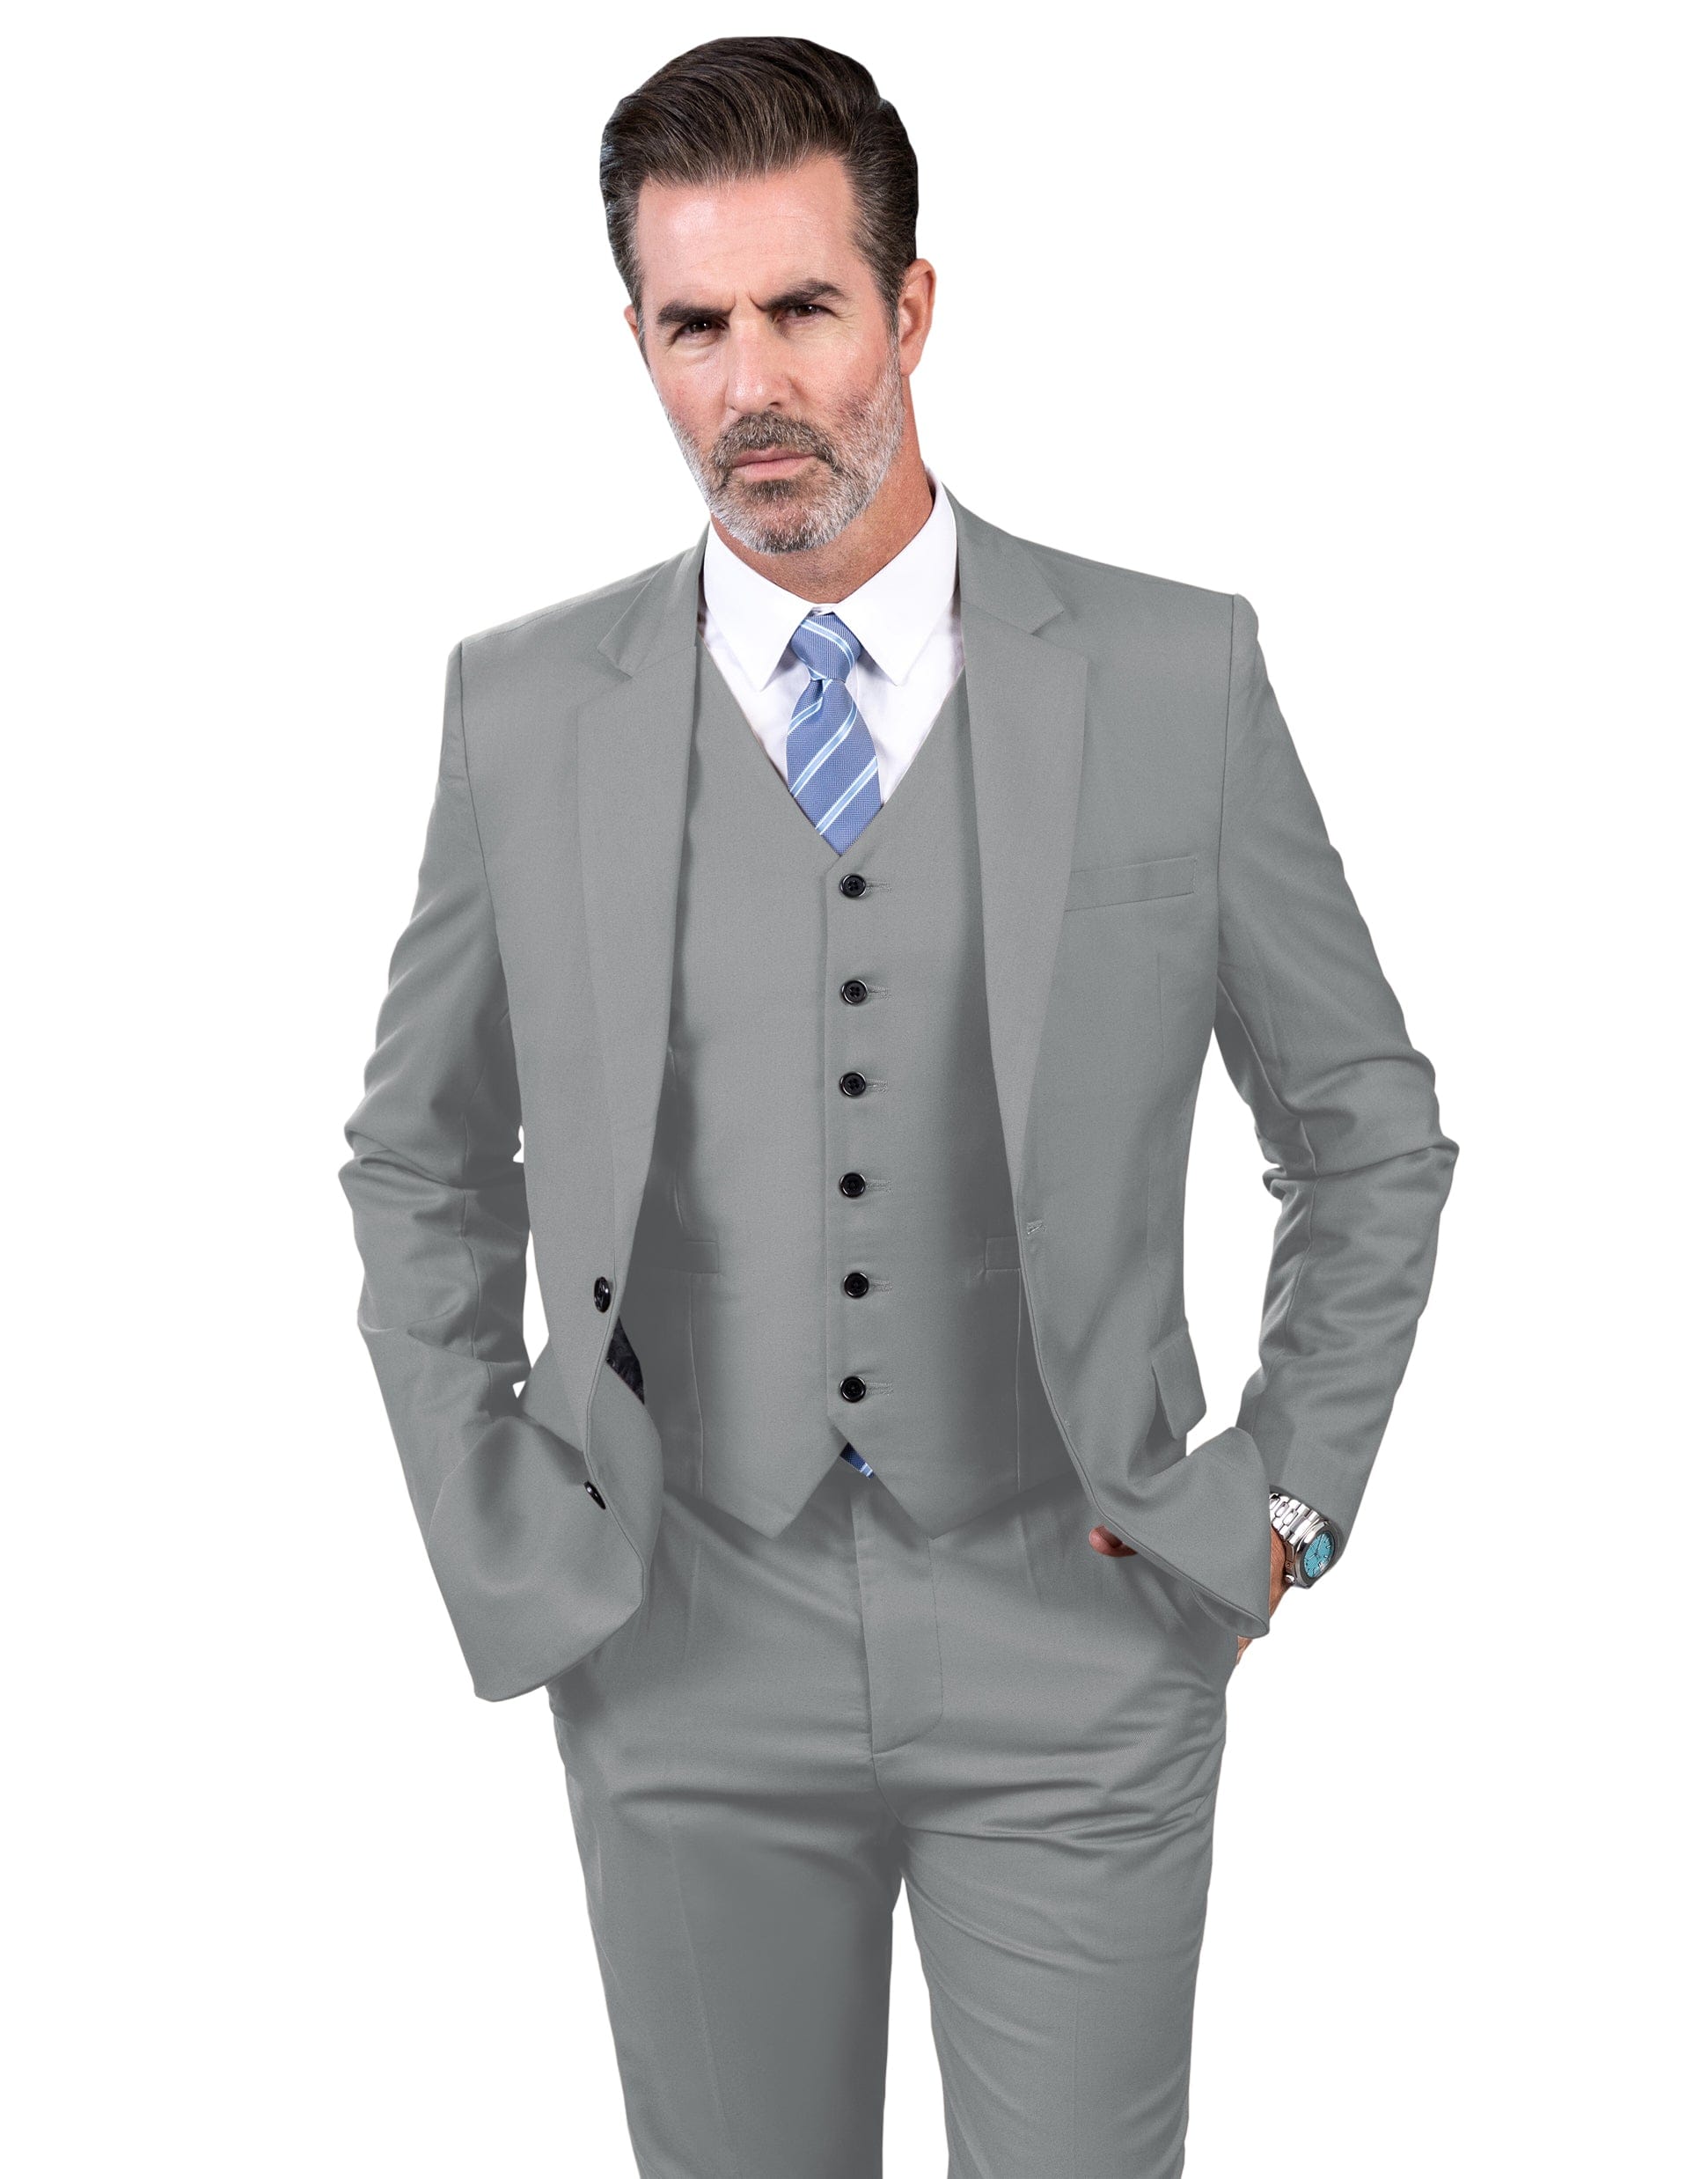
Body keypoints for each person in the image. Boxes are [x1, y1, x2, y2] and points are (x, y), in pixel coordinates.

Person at [338, 34, 1456, 2177]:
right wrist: (502, 1525)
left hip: (1079, 1618)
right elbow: (419, 1154)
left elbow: (1362, 1125)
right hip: (677, 1630)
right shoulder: (521, 709)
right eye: (692, 326)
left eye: (801, 308)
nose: (750, 384)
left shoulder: (1171, 675)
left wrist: (1283, 1503)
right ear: (637, 342)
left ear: (910, 306)